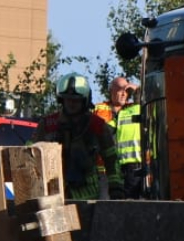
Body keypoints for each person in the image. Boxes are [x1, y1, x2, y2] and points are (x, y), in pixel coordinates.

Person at [31, 72, 121, 202]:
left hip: (89, 196)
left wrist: (115, 186)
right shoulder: (47, 124)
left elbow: (111, 158)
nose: (71, 104)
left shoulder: (96, 125)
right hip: (54, 192)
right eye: (68, 99)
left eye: (76, 100)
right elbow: (31, 154)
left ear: (85, 100)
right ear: (61, 100)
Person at [110, 76, 146, 199]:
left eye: (128, 92)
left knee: (130, 201)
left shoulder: (130, 112)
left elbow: (106, 130)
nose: (125, 94)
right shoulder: (124, 113)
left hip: (133, 166)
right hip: (128, 167)